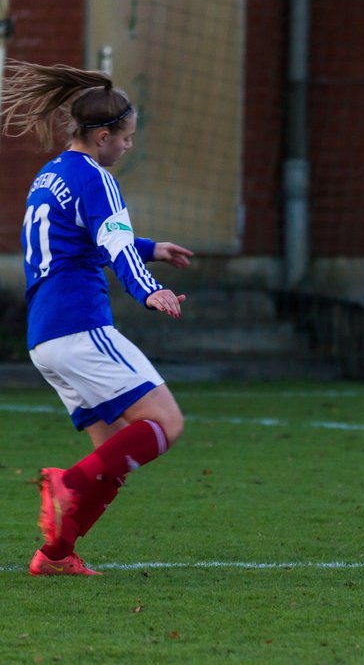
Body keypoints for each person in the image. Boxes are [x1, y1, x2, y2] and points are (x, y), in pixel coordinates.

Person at [1, 60, 193, 576]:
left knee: (111, 457)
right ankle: (67, 486)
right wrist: (149, 290)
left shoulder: (51, 174)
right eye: (126, 138)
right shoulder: (98, 179)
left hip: (45, 338)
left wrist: (150, 247)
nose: (128, 147)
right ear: (103, 136)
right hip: (81, 325)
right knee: (165, 423)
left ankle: (55, 555)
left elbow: (78, 239)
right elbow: (112, 244)